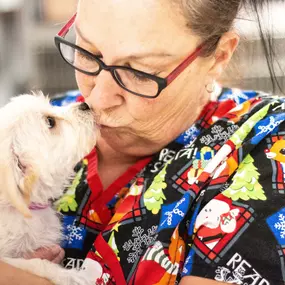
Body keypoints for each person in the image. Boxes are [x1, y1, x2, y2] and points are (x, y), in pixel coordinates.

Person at [2, 0, 285, 284]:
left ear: (220, 56)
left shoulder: (265, 143)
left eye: (140, 72)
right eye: (87, 51)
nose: (97, 98)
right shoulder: (28, 127)